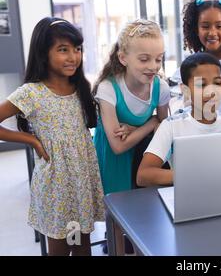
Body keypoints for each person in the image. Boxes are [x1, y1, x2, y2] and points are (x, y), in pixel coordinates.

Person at [0, 17, 104, 256]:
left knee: (80, 245)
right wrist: (31, 140)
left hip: (80, 183)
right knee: (60, 247)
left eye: (77, 49)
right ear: (43, 53)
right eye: (63, 50)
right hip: (56, 187)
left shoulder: (81, 89)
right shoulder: (32, 93)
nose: (73, 57)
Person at [136, 52, 221, 186]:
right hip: (190, 198)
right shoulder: (172, 126)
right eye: (201, 85)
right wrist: (197, 176)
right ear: (185, 90)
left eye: (217, 83)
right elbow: (144, 175)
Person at [92, 19, 170, 195]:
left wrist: (136, 128)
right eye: (144, 59)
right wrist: (150, 123)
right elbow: (118, 147)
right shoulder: (108, 88)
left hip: (143, 158)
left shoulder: (161, 88)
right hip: (113, 163)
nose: (153, 67)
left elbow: (165, 131)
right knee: (117, 212)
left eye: (159, 59)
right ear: (123, 58)